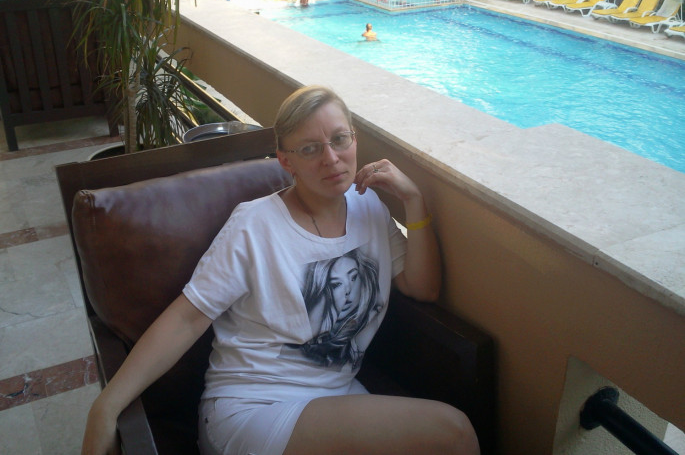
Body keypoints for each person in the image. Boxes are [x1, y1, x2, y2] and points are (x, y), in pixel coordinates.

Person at [81, 85, 480, 455]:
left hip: (335, 398)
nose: (331, 158)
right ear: (286, 160)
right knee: (454, 432)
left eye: (340, 139)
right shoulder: (254, 226)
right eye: (310, 148)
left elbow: (422, 288)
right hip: (255, 408)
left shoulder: (369, 207)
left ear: (355, 139)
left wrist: (414, 201)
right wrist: (107, 406)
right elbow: (186, 320)